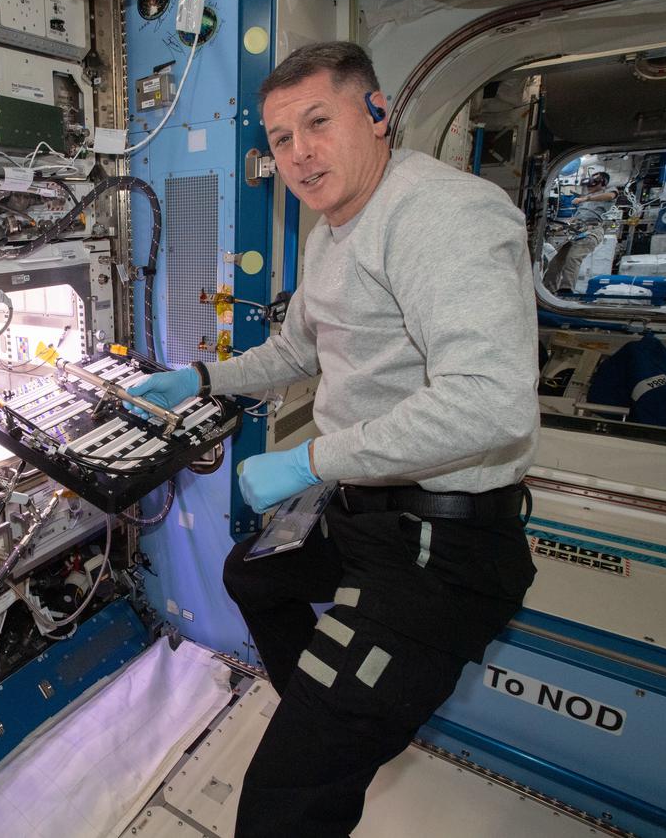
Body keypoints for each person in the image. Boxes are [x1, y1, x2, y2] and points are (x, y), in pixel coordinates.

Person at [127, 41, 540, 837]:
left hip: (442, 544)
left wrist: (308, 460)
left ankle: (329, 730)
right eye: (281, 138)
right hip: (365, 510)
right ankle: (334, 711)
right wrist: (201, 379)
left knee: (282, 797)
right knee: (253, 576)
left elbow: (491, 406)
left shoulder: (440, 214)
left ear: (378, 113)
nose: (299, 153)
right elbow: (296, 352)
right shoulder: (329, 232)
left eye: (318, 122)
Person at [542, 170, 617, 294]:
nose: (589, 185)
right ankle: (547, 290)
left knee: (573, 258)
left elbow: (611, 196)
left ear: (603, 183)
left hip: (591, 231)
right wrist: (558, 228)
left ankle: (566, 290)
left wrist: (584, 198)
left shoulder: (607, 193)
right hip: (577, 232)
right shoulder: (585, 202)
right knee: (556, 262)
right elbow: (575, 219)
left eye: (593, 182)